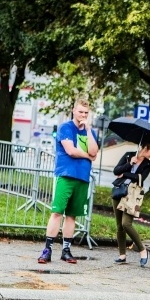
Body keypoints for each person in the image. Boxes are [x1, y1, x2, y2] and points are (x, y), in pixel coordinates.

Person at [37, 99, 99, 264]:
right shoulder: (65, 127)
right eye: (80, 112)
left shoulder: (90, 131)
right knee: (57, 212)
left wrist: (88, 129)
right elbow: (71, 151)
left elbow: (95, 151)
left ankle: (66, 250)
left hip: (82, 177)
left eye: (86, 113)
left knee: (72, 216)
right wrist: (88, 156)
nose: (83, 115)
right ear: (74, 111)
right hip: (65, 174)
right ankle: (47, 249)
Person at [112, 143, 150, 266]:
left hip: (133, 196)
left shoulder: (148, 164)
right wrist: (129, 164)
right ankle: (122, 255)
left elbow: (141, 179)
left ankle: (143, 250)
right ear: (145, 148)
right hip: (119, 191)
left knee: (126, 223)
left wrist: (125, 173)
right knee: (119, 226)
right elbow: (116, 171)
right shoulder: (128, 155)